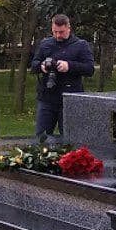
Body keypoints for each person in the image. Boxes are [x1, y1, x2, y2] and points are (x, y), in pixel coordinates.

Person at [29, 14, 95, 144]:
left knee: (71, 140)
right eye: (55, 32)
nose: (58, 35)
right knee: (41, 138)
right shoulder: (45, 44)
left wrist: (69, 66)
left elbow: (89, 69)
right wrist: (42, 66)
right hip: (47, 97)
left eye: (61, 32)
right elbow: (33, 65)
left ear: (68, 28)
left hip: (70, 98)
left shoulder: (81, 45)